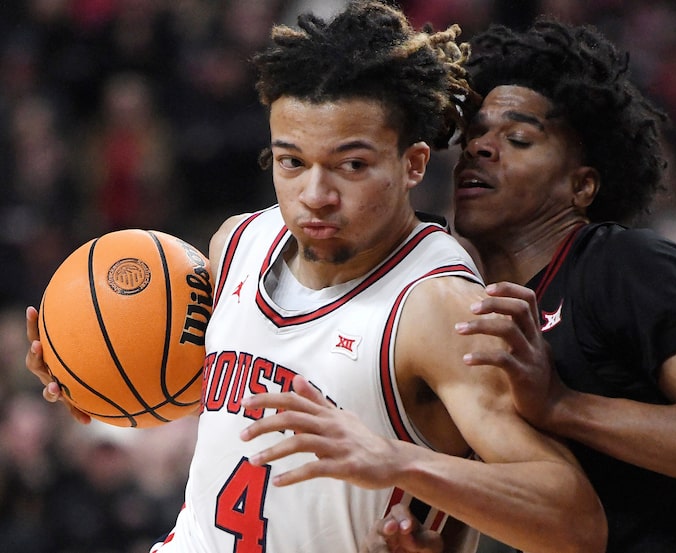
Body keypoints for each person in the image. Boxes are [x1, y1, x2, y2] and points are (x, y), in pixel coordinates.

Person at [24, 3, 606, 553]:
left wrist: (398, 462)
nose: (316, 194)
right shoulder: (237, 243)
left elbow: (576, 523)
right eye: (292, 162)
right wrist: (93, 374)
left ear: (413, 164)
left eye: (351, 165)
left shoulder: (438, 306)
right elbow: (217, 393)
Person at [363, 17, 676, 553]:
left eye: (517, 138)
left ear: (581, 186)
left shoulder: (622, 265)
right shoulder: (460, 305)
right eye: (472, 137)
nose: (480, 149)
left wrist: (564, 406)